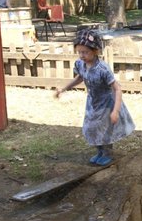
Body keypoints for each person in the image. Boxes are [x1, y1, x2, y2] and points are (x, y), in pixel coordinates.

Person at [55, 29, 135, 166]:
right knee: (91, 127)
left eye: (85, 52)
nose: (82, 55)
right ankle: (99, 151)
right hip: (93, 101)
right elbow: (80, 77)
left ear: (95, 51)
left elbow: (117, 88)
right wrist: (64, 88)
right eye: (79, 52)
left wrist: (115, 111)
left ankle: (107, 153)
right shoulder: (80, 64)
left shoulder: (102, 69)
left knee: (104, 128)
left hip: (106, 103)